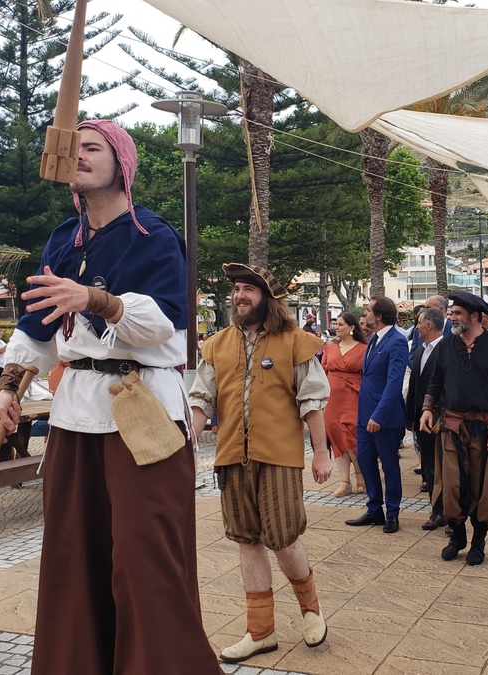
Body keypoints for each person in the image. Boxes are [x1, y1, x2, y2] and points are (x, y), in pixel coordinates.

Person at [0, 120, 219, 673]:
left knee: (146, 561)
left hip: (143, 412)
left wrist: (94, 298)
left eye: (94, 147)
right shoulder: (62, 239)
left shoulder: (154, 236)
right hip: (75, 416)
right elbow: (37, 328)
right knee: (73, 555)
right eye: (75, 149)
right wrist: (7, 390)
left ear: (122, 163)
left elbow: (164, 324)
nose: (81, 156)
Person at [190, 262, 331, 664]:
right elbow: (201, 400)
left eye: (248, 289)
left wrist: (320, 453)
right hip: (232, 456)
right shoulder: (216, 344)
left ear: (267, 298)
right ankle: (260, 631)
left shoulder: (296, 342)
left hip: (280, 458)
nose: (239, 296)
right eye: (236, 289)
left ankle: (311, 609)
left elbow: (312, 400)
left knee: (284, 539)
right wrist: (187, 441)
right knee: (247, 541)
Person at [419, 292, 488, 565]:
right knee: (450, 487)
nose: (451, 317)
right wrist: (427, 408)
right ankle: (457, 537)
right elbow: (434, 383)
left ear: (475, 316)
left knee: (482, 489)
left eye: (457, 313)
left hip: (484, 430)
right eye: (451, 313)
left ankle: (478, 543)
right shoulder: (447, 345)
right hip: (450, 427)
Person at [346, 296, 409, 532]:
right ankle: (374, 509)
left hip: (385, 419)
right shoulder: (373, 340)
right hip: (365, 417)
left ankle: (392, 513)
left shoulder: (397, 341)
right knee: (365, 460)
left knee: (390, 466)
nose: (365, 314)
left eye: (368, 311)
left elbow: (394, 384)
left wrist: (378, 416)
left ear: (379, 316)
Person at [405, 306, 445, 530]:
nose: (416, 326)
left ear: (428, 325)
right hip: (421, 419)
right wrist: (410, 415)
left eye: (419, 323)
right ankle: (436, 510)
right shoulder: (419, 350)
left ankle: (450, 513)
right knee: (429, 466)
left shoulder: (447, 349)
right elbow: (414, 386)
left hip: (441, 419)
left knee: (445, 467)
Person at [322, 312, 366, 496]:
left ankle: (361, 476)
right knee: (336, 437)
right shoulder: (330, 348)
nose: (336, 327)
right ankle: (344, 480)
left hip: (353, 396)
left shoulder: (364, 348)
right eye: (336, 324)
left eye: (340, 324)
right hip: (332, 398)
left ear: (352, 327)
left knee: (352, 435)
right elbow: (322, 371)